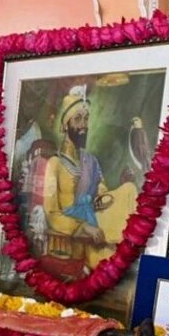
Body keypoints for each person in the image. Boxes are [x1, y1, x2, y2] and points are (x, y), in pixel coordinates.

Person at [42, 85, 137, 269]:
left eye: (86, 119)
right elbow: (52, 213)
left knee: (129, 190)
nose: (83, 125)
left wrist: (105, 199)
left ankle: (123, 250)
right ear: (64, 125)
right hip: (74, 228)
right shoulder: (55, 163)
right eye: (77, 119)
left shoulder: (90, 161)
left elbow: (102, 192)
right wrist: (83, 227)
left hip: (94, 214)